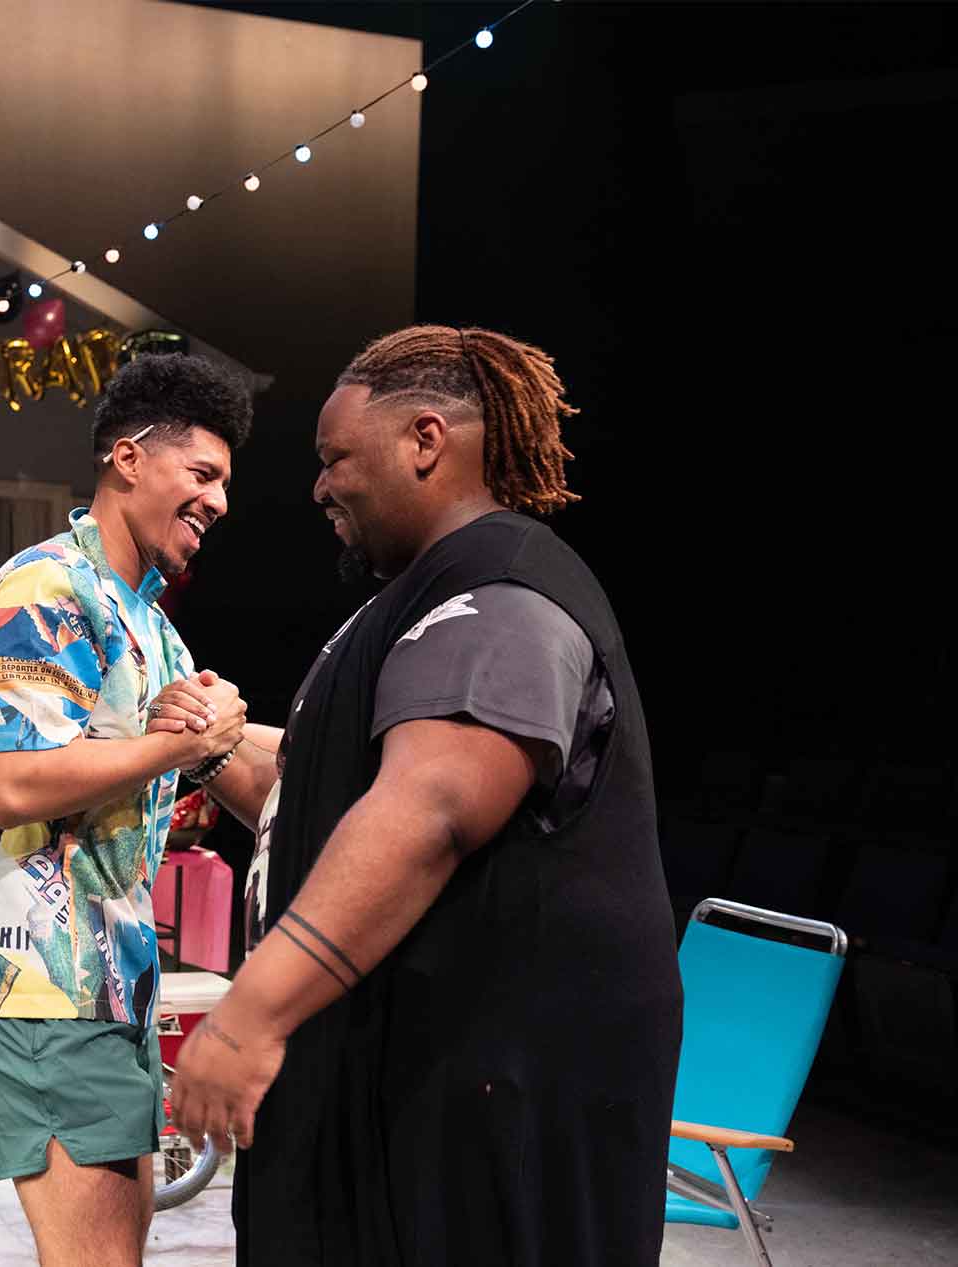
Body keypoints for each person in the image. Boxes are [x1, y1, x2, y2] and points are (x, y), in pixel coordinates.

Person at [169, 325, 682, 1265]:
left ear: (425, 440)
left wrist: (251, 1012)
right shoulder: (418, 600)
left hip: (485, 1119)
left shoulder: (504, 592)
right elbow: (315, 792)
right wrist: (210, 746)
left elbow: (430, 807)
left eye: (335, 458)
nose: (319, 486)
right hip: (401, 1101)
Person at [0, 352, 254, 1267]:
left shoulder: (150, 624)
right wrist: (177, 748)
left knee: (119, 1247)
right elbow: (13, 783)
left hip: (111, 985)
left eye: (224, 483)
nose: (219, 502)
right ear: (128, 458)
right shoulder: (45, 590)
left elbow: (215, 754)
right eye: (202, 474)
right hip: (40, 978)